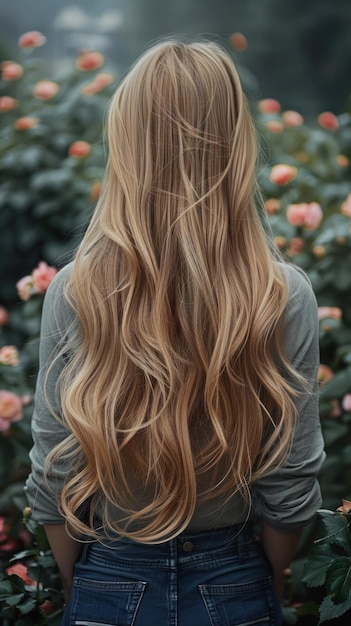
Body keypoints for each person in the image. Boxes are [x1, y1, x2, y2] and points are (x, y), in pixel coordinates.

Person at [25, 40, 325, 626]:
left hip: (106, 574)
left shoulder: (76, 289)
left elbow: (53, 478)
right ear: (235, 145)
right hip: (234, 581)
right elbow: (290, 486)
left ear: (128, 145)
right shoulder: (282, 294)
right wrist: (267, 578)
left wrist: (81, 589)